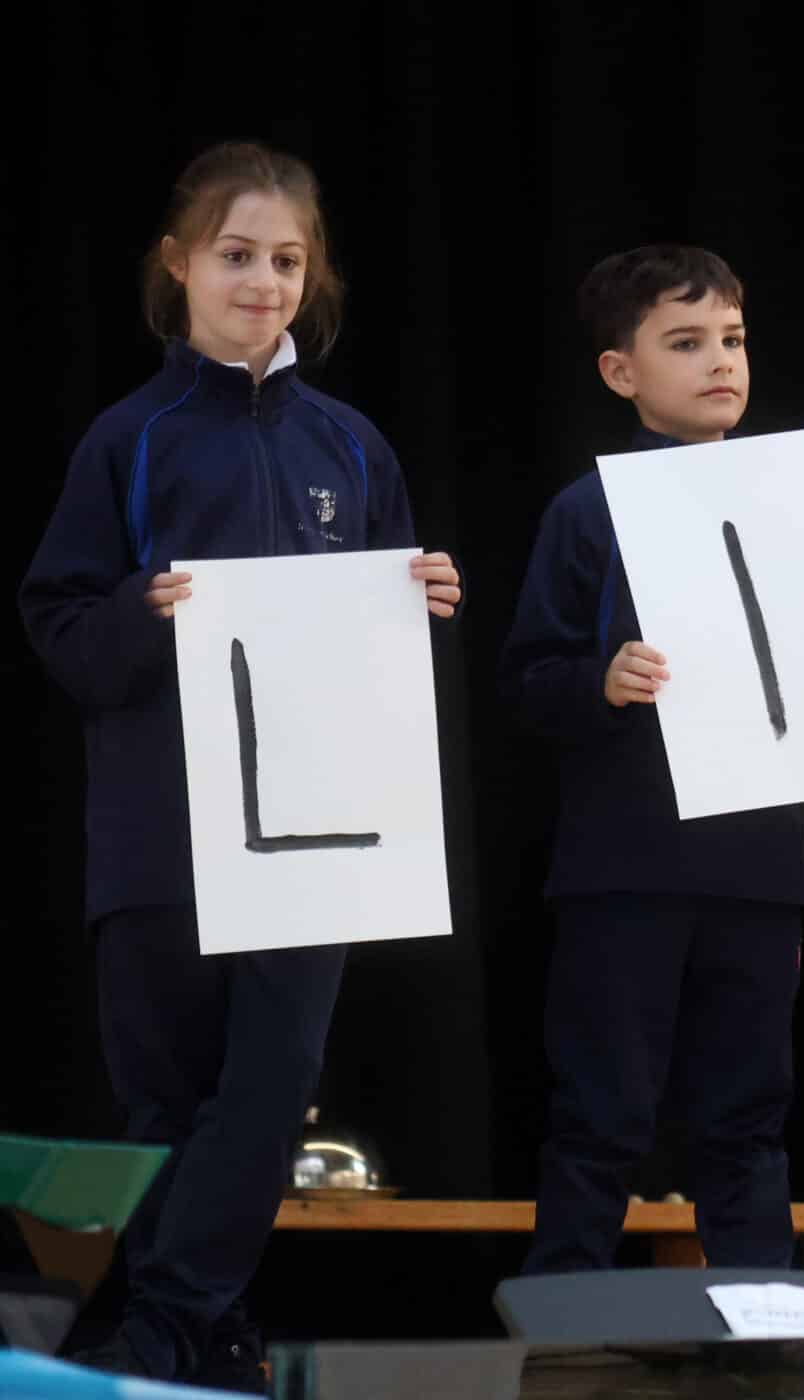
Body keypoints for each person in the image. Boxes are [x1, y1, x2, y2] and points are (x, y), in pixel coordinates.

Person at [18, 141, 462, 1390]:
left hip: (311, 834)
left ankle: (167, 1318)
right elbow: (58, 620)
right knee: (167, 1100)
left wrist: (422, 596)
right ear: (178, 264)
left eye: (287, 260)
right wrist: (138, 613)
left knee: (272, 1083)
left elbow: (380, 646)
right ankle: (200, 1338)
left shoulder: (352, 448)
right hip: (161, 828)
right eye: (236, 255)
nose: (264, 282)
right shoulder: (131, 439)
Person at [503, 244, 804, 1276]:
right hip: (626, 868)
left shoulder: (798, 505)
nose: (720, 360)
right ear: (621, 371)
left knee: (747, 1120)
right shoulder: (588, 511)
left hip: (759, 870)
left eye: (731, 338)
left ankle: (759, 1329)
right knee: (602, 1113)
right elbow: (528, 678)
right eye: (685, 342)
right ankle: (562, 1331)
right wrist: (601, 680)